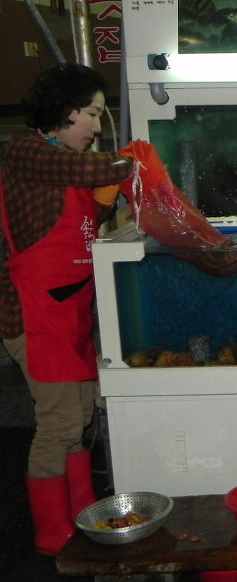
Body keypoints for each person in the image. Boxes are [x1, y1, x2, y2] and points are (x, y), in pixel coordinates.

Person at [1, 63, 133, 555]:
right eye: (91, 114)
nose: (96, 126)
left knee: (77, 417)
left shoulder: (64, 162)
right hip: (32, 317)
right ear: (64, 110)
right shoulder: (26, 152)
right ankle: (51, 532)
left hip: (68, 312)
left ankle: (81, 512)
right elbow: (91, 170)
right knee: (57, 424)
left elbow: (84, 219)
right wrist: (132, 162)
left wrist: (107, 201)